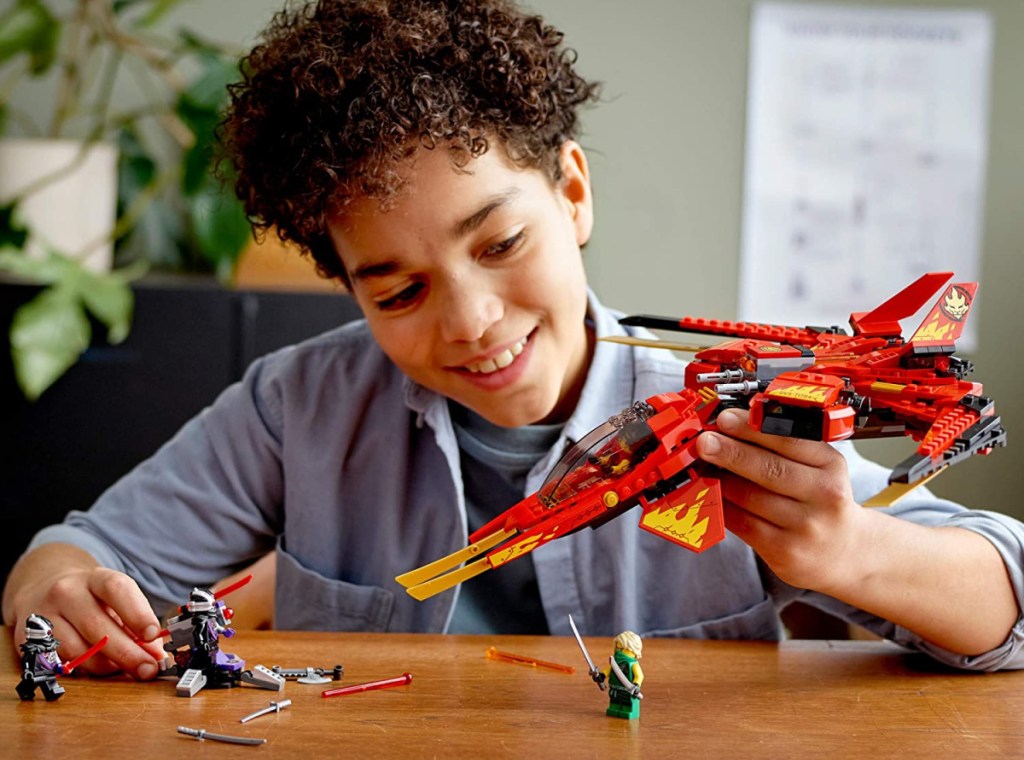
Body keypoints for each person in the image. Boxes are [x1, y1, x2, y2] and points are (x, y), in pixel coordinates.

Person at [3, 0, 1023, 681]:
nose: (472, 322)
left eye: (500, 242)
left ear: (572, 191)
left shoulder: (725, 410)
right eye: (397, 291)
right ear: (345, 287)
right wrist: (57, 591)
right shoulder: (293, 408)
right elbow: (76, 552)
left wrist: (847, 550)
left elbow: (1007, 605)